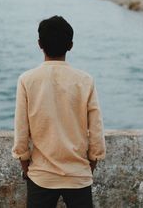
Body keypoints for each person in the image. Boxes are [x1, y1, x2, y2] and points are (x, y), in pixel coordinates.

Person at [12, 15, 106, 208]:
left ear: (40, 44)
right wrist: (91, 164)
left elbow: (21, 131)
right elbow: (96, 130)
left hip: (41, 176)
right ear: (70, 45)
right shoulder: (85, 80)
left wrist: (25, 165)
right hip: (78, 175)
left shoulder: (27, 80)